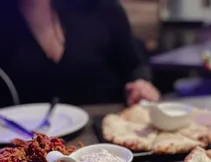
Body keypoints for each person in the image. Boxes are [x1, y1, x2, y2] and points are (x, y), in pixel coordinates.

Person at [0, 0, 160, 105]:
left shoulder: (101, 8)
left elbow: (135, 65)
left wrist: (140, 83)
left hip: (106, 133)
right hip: (24, 142)